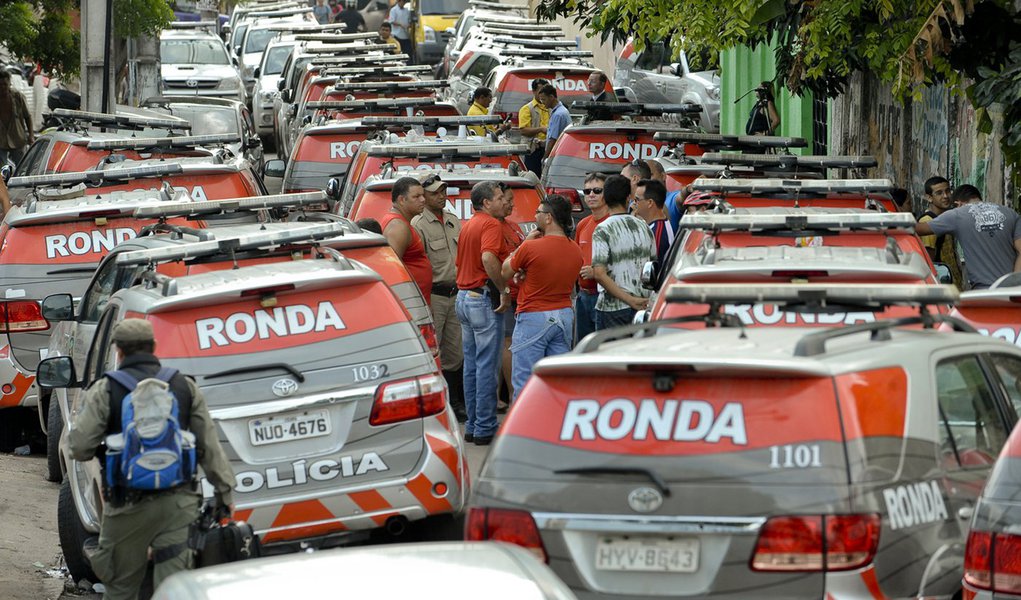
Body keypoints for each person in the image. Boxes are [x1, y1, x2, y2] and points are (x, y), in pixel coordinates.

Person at [67, 319, 234, 600]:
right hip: (178, 504)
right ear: (154, 347)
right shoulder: (184, 387)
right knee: (175, 590)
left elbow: (79, 448)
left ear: (118, 352)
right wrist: (224, 493)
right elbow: (209, 447)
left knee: (120, 587)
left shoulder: (105, 390)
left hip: (126, 506)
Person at [502, 194, 582, 400]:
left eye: (538, 212)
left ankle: (523, 429)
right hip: (564, 315)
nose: (535, 216)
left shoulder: (531, 247)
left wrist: (523, 246)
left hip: (534, 316)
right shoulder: (575, 249)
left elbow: (505, 271)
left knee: (525, 382)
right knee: (558, 380)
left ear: (548, 218)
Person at [455, 181, 510, 446]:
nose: (504, 201)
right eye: (500, 197)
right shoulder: (490, 224)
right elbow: (489, 258)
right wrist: (503, 289)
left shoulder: (470, 224)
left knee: (473, 364)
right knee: (487, 365)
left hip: (464, 297)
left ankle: (474, 425)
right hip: (481, 297)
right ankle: (485, 426)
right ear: (486, 202)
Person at [411, 174, 466, 421]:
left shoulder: (454, 221)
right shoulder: (418, 225)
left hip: (457, 294)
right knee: (433, 351)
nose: (441, 196)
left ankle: (455, 401)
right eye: (435, 192)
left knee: (456, 351)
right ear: (424, 196)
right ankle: (438, 402)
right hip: (433, 296)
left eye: (443, 191)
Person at [915, 184, 1021, 289]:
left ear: (957, 203)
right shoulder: (1011, 213)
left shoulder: (957, 214)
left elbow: (919, 229)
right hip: (1013, 292)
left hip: (984, 292)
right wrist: (1013, 285)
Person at [591, 174, 656, 329]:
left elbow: (599, 273)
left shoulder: (603, 229)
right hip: (642, 306)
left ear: (604, 198)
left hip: (611, 309)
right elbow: (653, 267)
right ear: (628, 198)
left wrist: (628, 299)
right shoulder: (644, 226)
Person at [379, 176, 433, 305]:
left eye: (423, 195)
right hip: (410, 305)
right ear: (402, 200)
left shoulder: (401, 223)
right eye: (417, 196)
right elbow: (391, 270)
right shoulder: (398, 227)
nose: (423, 200)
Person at [497, 183, 524, 411]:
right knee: (507, 343)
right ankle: (512, 394)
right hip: (506, 295)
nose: (512, 204)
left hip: (520, 295)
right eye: (507, 199)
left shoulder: (513, 226)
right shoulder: (492, 228)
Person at [574, 173, 609, 344]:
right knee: (583, 348)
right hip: (582, 296)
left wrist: (596, 272)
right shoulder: (583, 224)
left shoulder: (613, 222)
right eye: (587, 191)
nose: (591, 195)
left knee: (600, 349)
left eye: (597, 190)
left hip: (603, 297)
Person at [916, 176, 962, 289]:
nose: (945, 196)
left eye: (947, 191)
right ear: (929, 198)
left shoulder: (945, 218)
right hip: (942, 286)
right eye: (939, 193)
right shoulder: (927, 222)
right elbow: (930, 262)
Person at [633, 178, 674, 266]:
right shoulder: (657, 226)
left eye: (637, 199)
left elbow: (654, 272)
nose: (634, 203)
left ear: (650, 203)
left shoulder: (658, 233)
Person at [517, 78, 550, 176]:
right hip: (532, 150)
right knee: (532, 176)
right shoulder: (527, 109)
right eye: (540, 91)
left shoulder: (550, 108)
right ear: (534, 91)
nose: (543, 94)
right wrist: (541, 129)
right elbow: (523, 130)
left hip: (547, 148)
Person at [0, 71, 33, 166]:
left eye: (5, 84)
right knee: (1, 171)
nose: (2, 87)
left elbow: (27, 116)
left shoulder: (18, 97)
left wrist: (31, 135)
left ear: (9, 84)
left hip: (17, 138)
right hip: (1, 140)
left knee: (22, 167)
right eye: (0, 85)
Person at [539, 84, 571, 159]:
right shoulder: (560, 111)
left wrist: (545, 158)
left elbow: (553, 140)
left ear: (551, 97)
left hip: (557, 155)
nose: (542, 102)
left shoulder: (558, 114)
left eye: (544, 99)